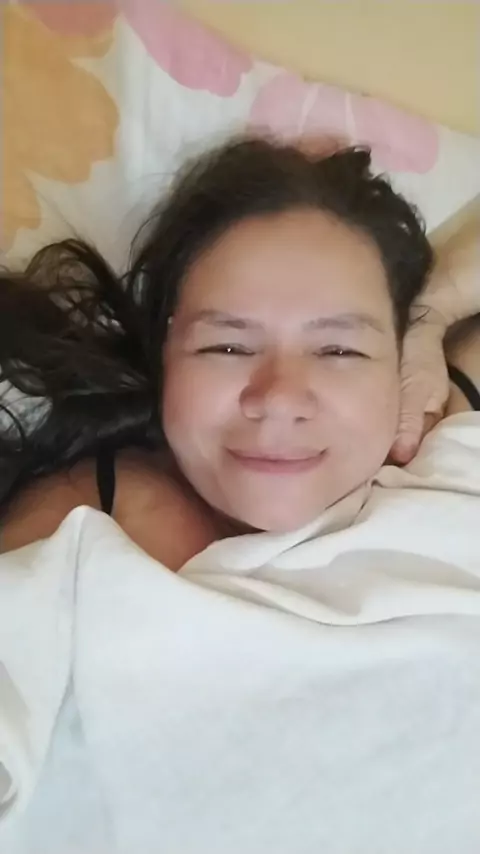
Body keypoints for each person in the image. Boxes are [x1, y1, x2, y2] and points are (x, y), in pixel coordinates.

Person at [0, 138, 477, 567]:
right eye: (227, 346)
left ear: (399, 358)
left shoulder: (445, 449)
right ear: (166, 352)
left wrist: (431, 313)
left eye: (339, 350)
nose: (279, 398)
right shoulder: (79, 531)